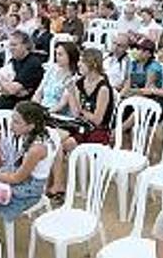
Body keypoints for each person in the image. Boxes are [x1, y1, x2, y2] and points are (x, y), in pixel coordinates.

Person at [46, 49, 114, 201]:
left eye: (82, 62)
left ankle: (57, 184)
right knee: (54, 141)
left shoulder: (103, 88)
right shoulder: (80, 83)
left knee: (61, 144)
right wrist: (71, 91)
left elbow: (97, 120)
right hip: (82, 125)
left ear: (93, 64)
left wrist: (82, 111)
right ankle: (57, 184)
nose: (78, 65)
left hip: (98, 130)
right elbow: (76, 113)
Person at [0, 101, 57, 222]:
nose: (10, 126)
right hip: (22, 175)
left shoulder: (36, 149)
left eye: (16, 122)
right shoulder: (36, 133)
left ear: (30, 126)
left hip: (29, 189)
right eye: (12, 120)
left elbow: (16, 179)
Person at [0, 30, 45, 111]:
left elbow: (11, 90)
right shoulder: (14, 61)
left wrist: (2, 83)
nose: (11, 48)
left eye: (14, 45)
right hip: (7, 100)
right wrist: (8, 86)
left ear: (25, 45)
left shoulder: (32, 63)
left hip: (20, 106)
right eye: (10, 45)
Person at [32, 41, 78, 114]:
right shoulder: (52, 69)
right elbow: (39, 91)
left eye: (60, 55)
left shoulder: (74, 78)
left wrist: (45, 112)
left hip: (56, 113)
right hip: (42, 107)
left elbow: (62, 104)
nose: (57, 57)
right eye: (56, 54)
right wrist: (35, 106)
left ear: (70, 56)